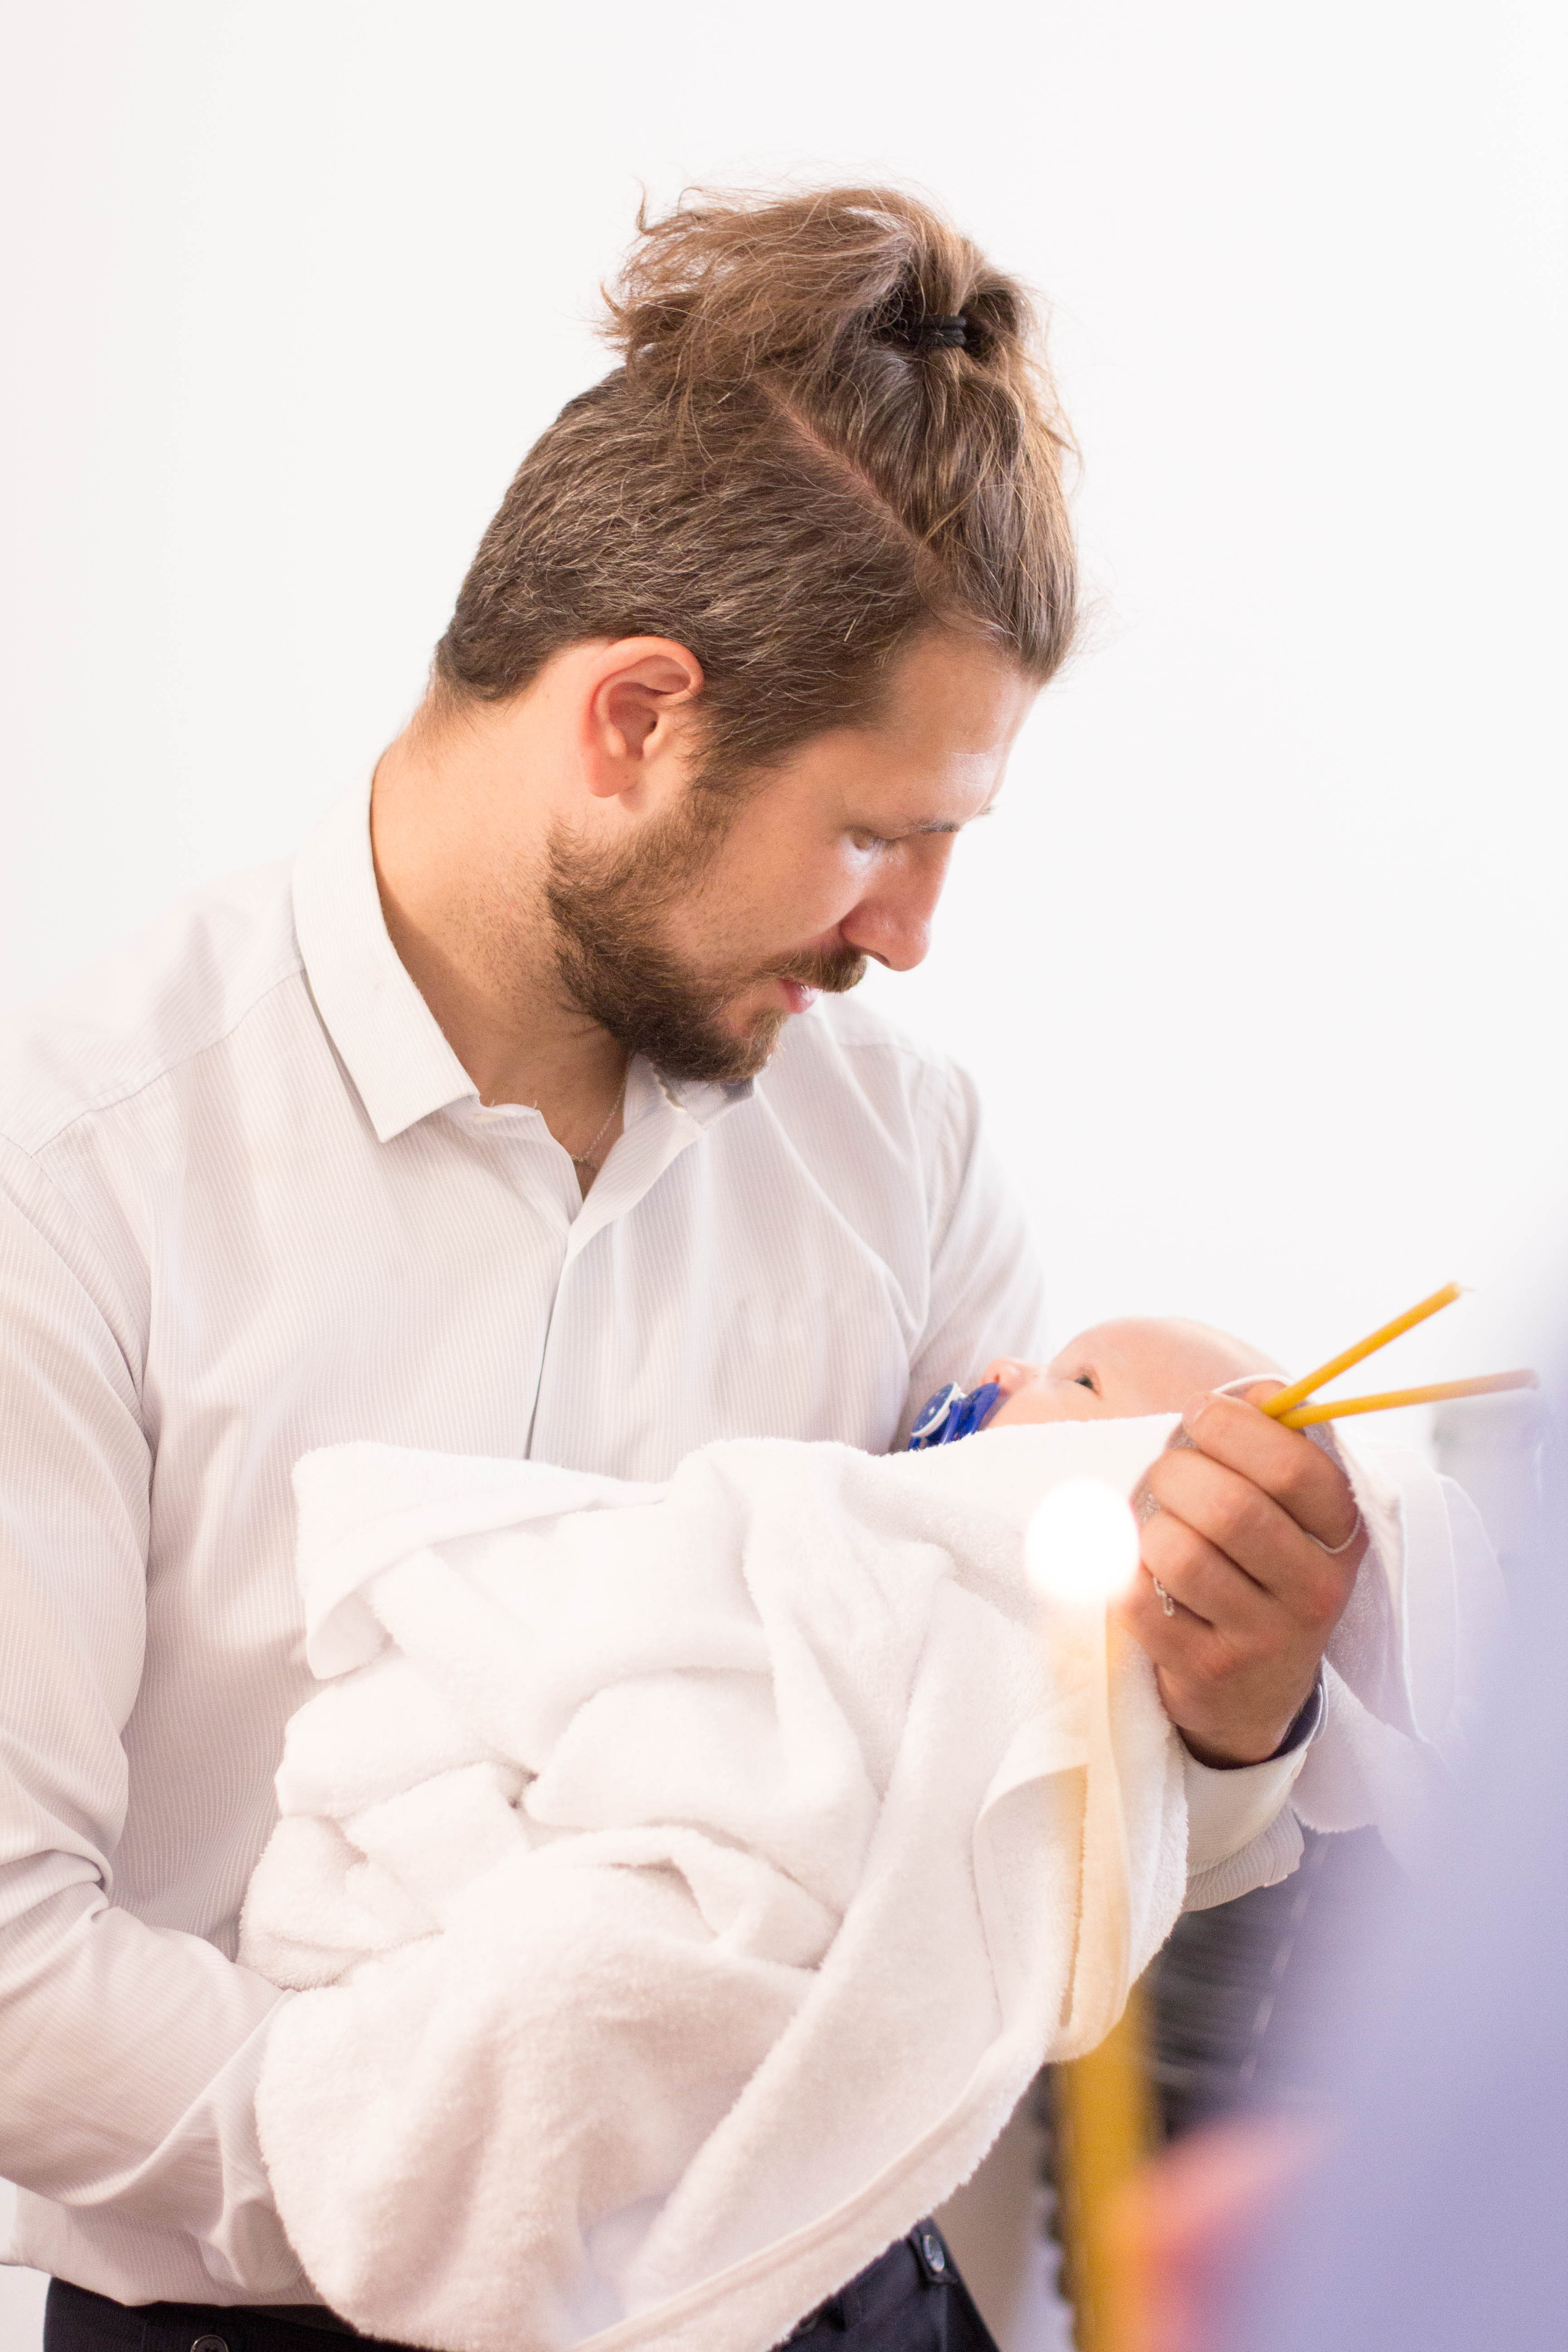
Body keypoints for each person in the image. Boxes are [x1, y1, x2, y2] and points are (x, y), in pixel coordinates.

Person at [0, 186, 1444, 2351]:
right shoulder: (73, 1177)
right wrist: (486, 2189)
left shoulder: (901, 1150)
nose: (912, 936)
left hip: (824, 2293)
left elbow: (1001, 1815)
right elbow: (15, 1967)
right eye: (877, 832)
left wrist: (1227, 1733)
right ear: (635, 720)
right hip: (275, 2305)